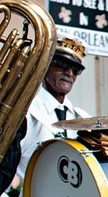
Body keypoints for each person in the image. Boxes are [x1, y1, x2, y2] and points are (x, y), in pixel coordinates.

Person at [17, 37, 90, 182]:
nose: (70, 74)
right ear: (45, 67)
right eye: (62, 65)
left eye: (75, 70)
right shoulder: (25, 112)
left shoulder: (82, 117)